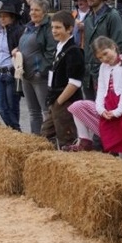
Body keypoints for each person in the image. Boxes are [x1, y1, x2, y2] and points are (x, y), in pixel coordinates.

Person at [68, 37, 122, 158]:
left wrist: (118, 111)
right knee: (77, 107)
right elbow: (101, 89)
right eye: (100, 57)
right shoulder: (104, 66)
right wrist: (101, 109)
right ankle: (84, 141)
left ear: (113, 47)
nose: (104, 59)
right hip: (108, 105)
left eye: (105, 54)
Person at [41, 11, 86, 148]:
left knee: (66, 140)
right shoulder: (59, 47)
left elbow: (74, 83)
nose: (54, 31)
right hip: (56, 99)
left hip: (66, 102)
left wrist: (59, 102)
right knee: (45, 136)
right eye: (52, 27)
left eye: (58, 27)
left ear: (70, 28)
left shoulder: (74, 51)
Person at [79, 0, 122, 102]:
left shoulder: (113, 16)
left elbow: (119, 46)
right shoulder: (89, 17)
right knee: (92, 110)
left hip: (106, 70)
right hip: (89, 73)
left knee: (106, 108)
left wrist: (111, 69)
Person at [15, 0, 55, 135]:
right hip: (26, 74)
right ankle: (36, 140)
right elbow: (25, 46)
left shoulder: (48, 28)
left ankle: (48, 139)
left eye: (37, 10)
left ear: (44, 12)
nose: (32, 13)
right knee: (33, 112)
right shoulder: (29, 27)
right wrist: (17, 50)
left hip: (40, 76)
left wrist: (41, 71)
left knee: (46, 111)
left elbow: (51, 52)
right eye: (31, 9)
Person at [0, 0, 24, 130]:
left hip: (11, 72)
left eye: (5, 16)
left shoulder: (19, 31)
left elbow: (22, 49)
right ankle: (16, 130)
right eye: (0, 16)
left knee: (12, 106)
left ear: (12, 18)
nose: (1, 19)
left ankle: (15, 132)